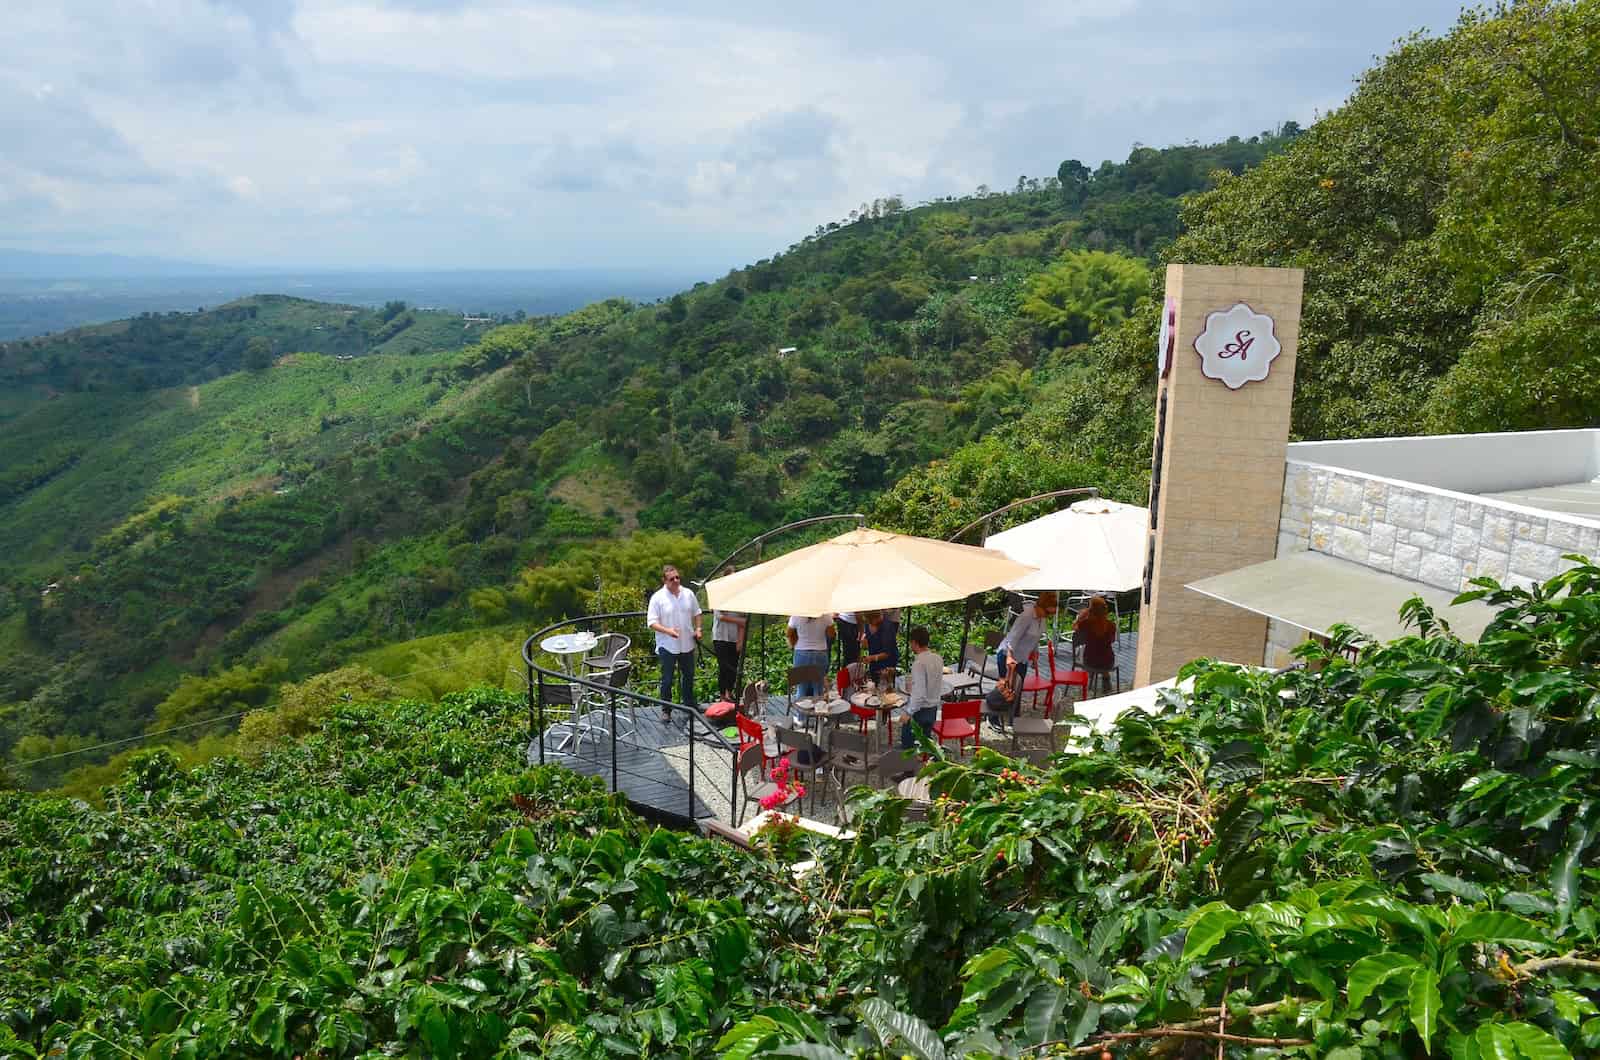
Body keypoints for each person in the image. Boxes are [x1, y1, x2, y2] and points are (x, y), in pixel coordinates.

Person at [646, 565, 702, 722]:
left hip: (687, 643)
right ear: (664, 580)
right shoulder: (657, 598)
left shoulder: (688, 594)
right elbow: (651, 622)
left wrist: (698, 629)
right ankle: (666, 709)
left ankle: (689, 704)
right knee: (667, 679)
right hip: (667, 645)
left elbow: (697, 613)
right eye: (672, 579)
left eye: (678, 577)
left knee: (689, 675)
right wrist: (668, 631)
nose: (676, 581)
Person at [991, 591, 1057, 723]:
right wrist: (1009, 657)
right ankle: (993, 716)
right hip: (1008, 654)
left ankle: (1013, 717)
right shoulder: (1026, 616)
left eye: (1051, 614)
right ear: (1040, 607)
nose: (1048, 616)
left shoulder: (1041, 619)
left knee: (1017, 689)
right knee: (1005, 688)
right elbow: (1013, 637)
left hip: (1023, 657)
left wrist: (1035, 652)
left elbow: (1036, 637)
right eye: (1048, 613)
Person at [897, 626, 942, 749]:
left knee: (907, 742)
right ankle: (931, 763)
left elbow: (920, 694)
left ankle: (908, 767)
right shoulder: (938, 658)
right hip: (933, 708)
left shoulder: (919, 663)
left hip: (920, 710)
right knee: (926, 741)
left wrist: (908, 712)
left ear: (914, 643)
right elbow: (934, 683)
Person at [710, 566, 747, 702]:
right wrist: (739, 620)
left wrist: (740, 640)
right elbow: (720, 616)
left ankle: (729, 693)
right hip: (720, 636)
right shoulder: (719, 594)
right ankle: (722, 695)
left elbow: (744, 620)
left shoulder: (741, 596)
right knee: (723, 667)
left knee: (733, 667)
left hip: (734, 637)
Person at [1074, 595, 1118, 693]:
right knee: (1103, 654)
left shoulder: (1086, 624)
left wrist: (1081, 616)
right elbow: (1112, 640)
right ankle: (1106, 680)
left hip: (1090, 660)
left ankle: (1091, 675)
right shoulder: (1111, 625)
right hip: (1108, 661)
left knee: (1084, 651)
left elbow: (1075, 628)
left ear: (1091, 610)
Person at [786, 612, 834, 698]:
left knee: (801, 688)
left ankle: (801, 711)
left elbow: (788, 634)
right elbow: (831, 634)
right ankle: (818, 709)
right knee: (818, 689)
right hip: (820, 653)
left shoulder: (796, 616)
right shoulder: (826, 616)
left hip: (801, 653)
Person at [859, 610, 898, 683]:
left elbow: (887, 653)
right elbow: (868, 644)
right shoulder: (868, 625)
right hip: (874, 664)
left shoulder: (887, 627)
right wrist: (864, 643)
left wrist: (871, 658)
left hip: (887, 665)